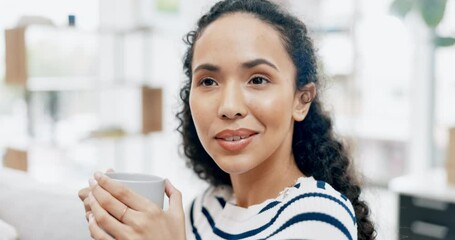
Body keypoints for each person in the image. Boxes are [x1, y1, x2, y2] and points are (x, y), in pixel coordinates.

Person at [78, 0, 376, 239]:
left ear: (301, 100)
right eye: (208, 82)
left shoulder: (318, 216)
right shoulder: (203, 210)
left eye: (258, 79)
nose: (229, 107)